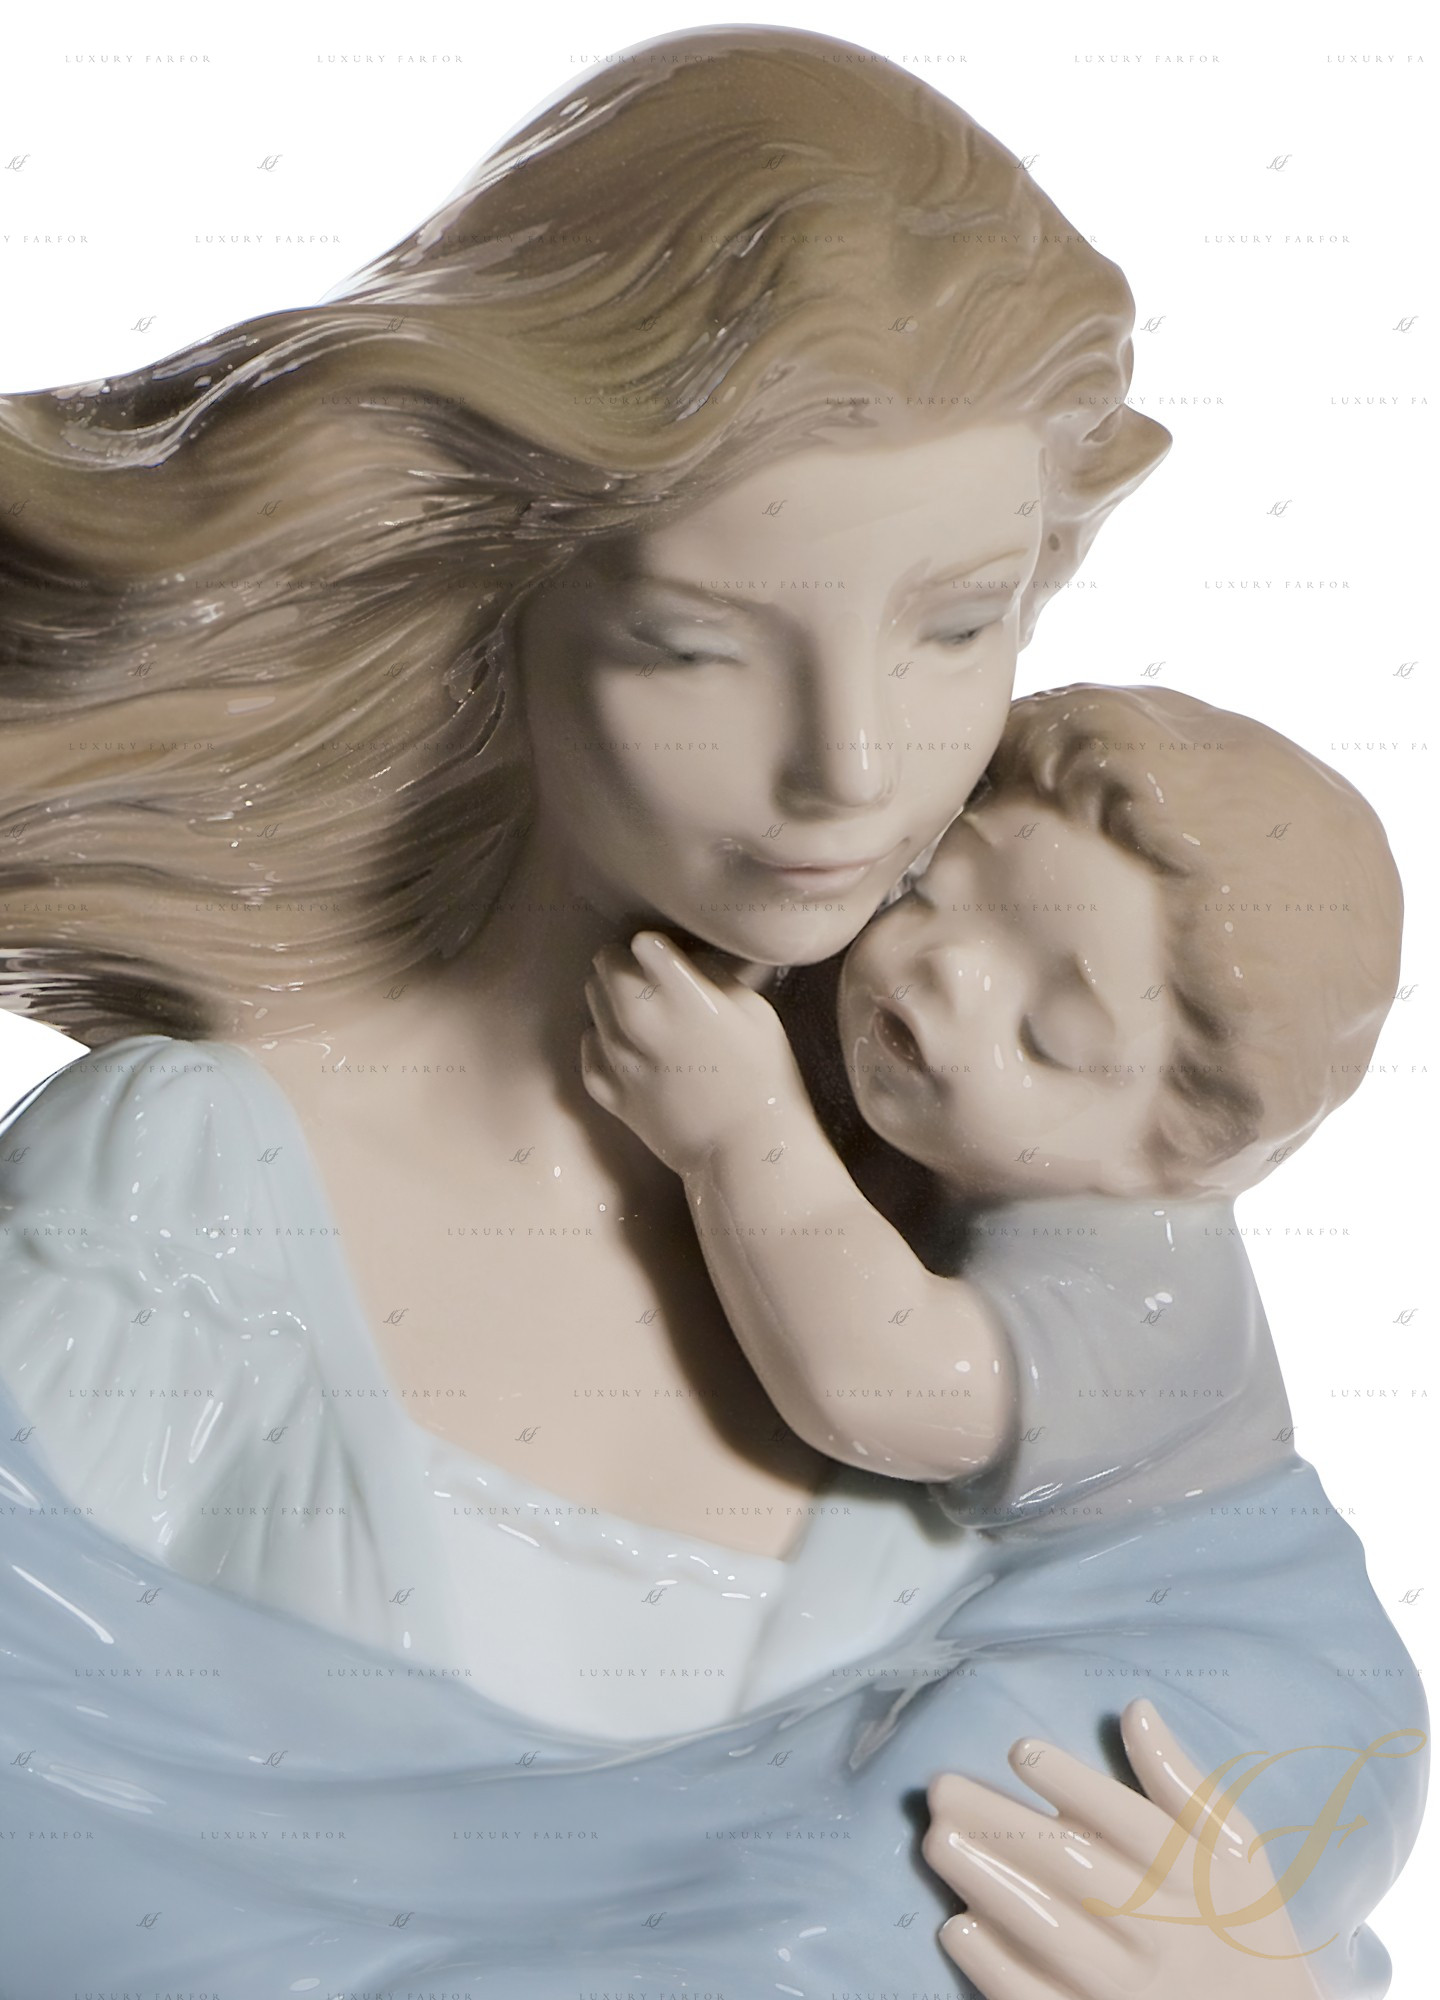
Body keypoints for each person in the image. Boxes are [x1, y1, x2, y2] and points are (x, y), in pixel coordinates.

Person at [0, 26, 1422, 1997]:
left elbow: (1257, 1755)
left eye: (956, 624)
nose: (853, 766)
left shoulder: (995, 1162)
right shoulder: (194, 1212)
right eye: (699, 645)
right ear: (507, 603)